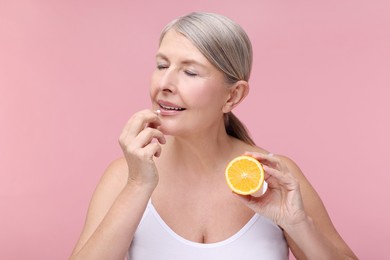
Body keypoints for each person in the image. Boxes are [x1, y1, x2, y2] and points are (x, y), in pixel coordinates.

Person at [70, 12, 357, 259]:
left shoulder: (274, 178)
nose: (165, 83)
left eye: (190, 72)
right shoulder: (125, 177)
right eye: (161, 65)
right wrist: (137, 185)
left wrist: (297, 223)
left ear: (232, 96)